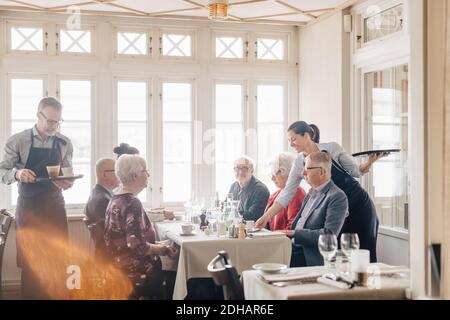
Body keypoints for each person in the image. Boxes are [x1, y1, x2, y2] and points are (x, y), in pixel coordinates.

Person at [256, 121, 385, 262]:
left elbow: (355, 171)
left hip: (358, 207)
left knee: (363, 255)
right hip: (335, 211)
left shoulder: (332, 148)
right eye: (289, 141)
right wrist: (265, 217)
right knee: (339, 256)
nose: (291, 144)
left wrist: (370, 162)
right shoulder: (299, 163)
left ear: (305, 136)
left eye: (293, 139)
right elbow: (287, 193)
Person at [0, 97, 75, 299]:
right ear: (38, 115)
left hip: (55, 206)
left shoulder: (64, 142)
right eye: (50, 121)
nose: (53, 126)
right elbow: (2, 171)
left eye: (58, 121)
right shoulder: (18, 140)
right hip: (29, 207)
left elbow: (68, 174)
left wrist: (67, 183)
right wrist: (17, 174)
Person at [104, 154, 178, 299]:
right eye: (145, 171)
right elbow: (137, 246)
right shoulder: (132, 203)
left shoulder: (115, 199)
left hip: (118, 267)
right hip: (136, 271)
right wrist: (164, 249)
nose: (148, 174)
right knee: (173, 276)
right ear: (135, 175)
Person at [282, 152, 348, 267]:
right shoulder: (311, 192)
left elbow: (329, 235)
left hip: (309, 255)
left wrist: (295, 234)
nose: (303, 173)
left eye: (307, 169)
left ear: (321, 172)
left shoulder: (337, 196)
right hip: (292, 248)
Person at [113, 143, 174, 221]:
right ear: (134, 173)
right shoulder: (130, 201)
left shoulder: (119, 197)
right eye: (144, 170)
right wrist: (162, 215)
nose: (148, 175)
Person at [84, 158, 119, 260]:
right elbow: (113, 235)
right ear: (105, 175)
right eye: (116, 171)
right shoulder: (103, 200)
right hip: (110, 257)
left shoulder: (98, 193)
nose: (119, 175)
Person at [265, 152, 306, 230]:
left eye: (275, 174)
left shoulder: (296, 193)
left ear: (286, 171)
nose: (272, 178)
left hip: (283, 241)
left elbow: (292, 226)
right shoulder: (274, 195)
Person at [228, 156, 270, 222]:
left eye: (244, 169)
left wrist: (232, 213)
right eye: (237, 168)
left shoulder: (260, 190)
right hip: (238, 227)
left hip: (255, 230)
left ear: (252, 171)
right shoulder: (234, 186)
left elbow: (252, 215)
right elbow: (226, 207)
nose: (240, 172)